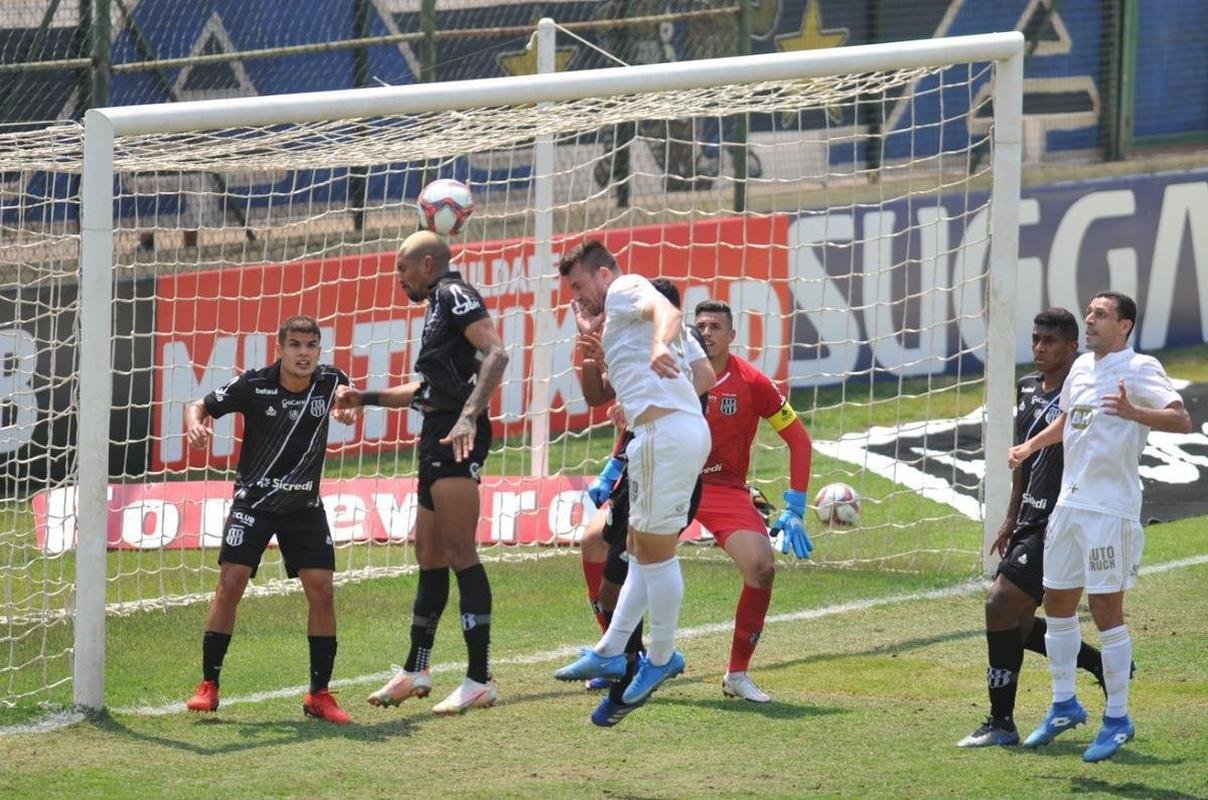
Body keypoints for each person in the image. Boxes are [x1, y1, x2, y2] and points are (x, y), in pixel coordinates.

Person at [1008, 292, 1190, 762]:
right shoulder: (1082, 370)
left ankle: (1118, 718)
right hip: (1068, 507)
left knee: (1106, 609)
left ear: (1124, 326)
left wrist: (1136, 414)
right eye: (1088, 313)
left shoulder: (1141, 368)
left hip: (1110, 511)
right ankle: (1064, 703)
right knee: (1058, 601)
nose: (1089, 319)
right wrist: (1031, 447)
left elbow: (1180, 418)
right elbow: (1071, 420)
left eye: (1100, 314)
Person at [337, 230, 509, 716]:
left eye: (402, 269)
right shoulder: (438, 304)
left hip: (457, 437)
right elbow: (427, 388)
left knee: (459, 551)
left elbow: (497, 353)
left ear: (429, 263)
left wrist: (468, 416)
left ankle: (479, 678)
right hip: (437, 433)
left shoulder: (454, 293)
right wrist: (364, 398)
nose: (399, 278)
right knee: (429, 554)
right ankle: (417, 667)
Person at [553, 239, 713, 712]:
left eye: (581, 285)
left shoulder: (624, 287)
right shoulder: (614, 322)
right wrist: (592, 334)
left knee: (657, 556)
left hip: (666, 433)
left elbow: (666, 310)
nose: (577, 296)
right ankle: (611, 651)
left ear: (604, 274)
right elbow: (696, 374)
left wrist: (662, 343)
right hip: (660, 435)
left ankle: (660, 656)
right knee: (641, 550)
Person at [183, 315, 355, 724]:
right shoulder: (253, 385)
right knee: (230, 583)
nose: (304, 354)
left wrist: (349, 407)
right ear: (279, 348)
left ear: (319, 350)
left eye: (311, 346)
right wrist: (194, 425)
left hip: (303, 508)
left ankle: (319, 693)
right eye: (295, 345)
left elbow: (347, 395)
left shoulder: (330, 382)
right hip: (254, 503)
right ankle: (209, 685)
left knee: (323, 590)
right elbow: (199, 405)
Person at [958, 308, 1109, 748]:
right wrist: (1009, 516)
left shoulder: (1080, 392)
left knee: (998, 604)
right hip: (1027, 519)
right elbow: (1022, 459)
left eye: (1050, 341)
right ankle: (1095, 662)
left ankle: (1000, 722)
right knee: (1018, 626)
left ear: (1071, 346)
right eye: (1036, 339)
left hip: (1061, 520)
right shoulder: (1026, 387)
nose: (1040, 348)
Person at [690, 300, 814, 703]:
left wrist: (794, 507)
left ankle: (737, 674)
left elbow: (799, 439)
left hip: (724, 489)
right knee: (605, 546)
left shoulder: (752, 382)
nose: (706, 333)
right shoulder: (674, 373)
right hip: (672, 483)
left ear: (732, 336)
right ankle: (618, 657)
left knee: (762, 567)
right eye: (701, 326)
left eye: (715, 327)